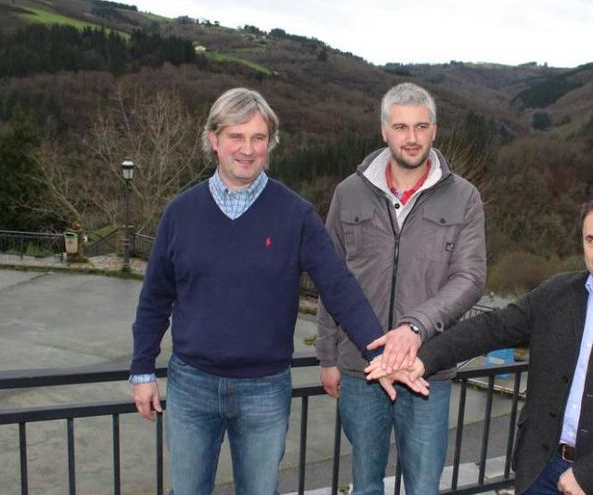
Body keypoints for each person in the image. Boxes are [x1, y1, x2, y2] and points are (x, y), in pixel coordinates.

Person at [128, 88, 414, 495]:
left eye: (258, 138)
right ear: (213, 140)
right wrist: (143, 369)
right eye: (236, 136)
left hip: (264, 389)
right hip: (191, 385)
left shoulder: (294, 214)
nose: (247, 149)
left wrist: (379, 352)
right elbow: (155, 298)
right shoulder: (180, 213)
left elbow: (338, 286)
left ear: (270, 144)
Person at [368, 194, 593, 495]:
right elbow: (492, 328)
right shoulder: (556, 295)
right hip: (541, 469)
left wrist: (589, 474)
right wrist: (423, 359)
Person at [316, 82, 486, 494]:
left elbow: (470, 278)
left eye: (421, 127)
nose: (411, 138)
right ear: (384, 131)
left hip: (427, 368)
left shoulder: (464, 197)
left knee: (423, 486)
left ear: (435, 131)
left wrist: (415, 327)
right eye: (401, 127)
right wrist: (327, 355)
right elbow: (330, 278)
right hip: (362, 368)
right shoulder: (348, 193)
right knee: (366, 485)